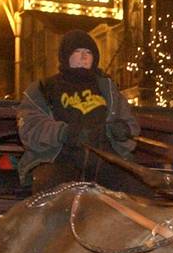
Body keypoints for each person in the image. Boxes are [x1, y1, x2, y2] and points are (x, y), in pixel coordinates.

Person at [16, 29, 142, 194]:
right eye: (77, 51)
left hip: (105, 159)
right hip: (59, 159)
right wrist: (64, 133)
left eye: (88, 52)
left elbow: (131, 124)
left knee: (138, 189)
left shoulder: (108, 88)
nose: (83, 56)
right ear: (66, 56)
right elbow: (30, 127)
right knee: (52, 192)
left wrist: (121, 130)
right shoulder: (43, 88)